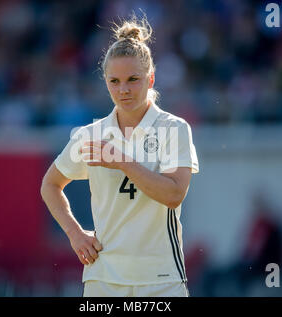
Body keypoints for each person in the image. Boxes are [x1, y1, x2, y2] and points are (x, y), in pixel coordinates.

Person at [40, 15, 199, 297]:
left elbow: (174, 194)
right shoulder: (91, 134)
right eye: (114, 81)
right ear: (105, 82)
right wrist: (75, 234)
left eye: (133, 80)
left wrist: (121, 160)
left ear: (150, 78)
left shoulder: (173, 129)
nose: (123, 89)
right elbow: (50, 185)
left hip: (161, 280)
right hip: (103, 279)